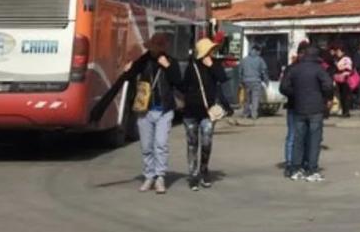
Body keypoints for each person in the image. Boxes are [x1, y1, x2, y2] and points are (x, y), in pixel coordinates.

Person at [90, 32, 182, 194]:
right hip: (144, 110)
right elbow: (127, 79)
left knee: (160, 145)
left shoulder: (171, 62)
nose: (154, 51)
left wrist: (167, 67)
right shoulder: (142, 61)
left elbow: (179, 83)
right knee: (147, 146)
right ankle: (149, 176)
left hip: (164, 110)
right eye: (153, 47)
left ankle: (159, 177)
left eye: (157, 48)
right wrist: (128, 71)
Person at [182, 37, 233, 190]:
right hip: (191, 112)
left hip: (207, 113)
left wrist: (212, 66)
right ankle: (192, 175)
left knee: (206, 142)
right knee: (192, 144)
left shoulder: (215, 64)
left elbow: (223, 79)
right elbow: (184, 86)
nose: (212, 52)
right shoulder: (192, 66)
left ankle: (204, 171)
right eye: (210, 50)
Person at [280, 45, 335, 182]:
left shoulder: (294, 69)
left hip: (299, 108)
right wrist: (325, 97)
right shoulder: (319, 70)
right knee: (314, 140)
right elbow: (328, 86)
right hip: (316, 109)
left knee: (298, 139)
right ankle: (312, 169)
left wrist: (297, 94)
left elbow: (283, 87)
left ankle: (295, 169)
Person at [282, 40, 309, 177]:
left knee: (303, 136)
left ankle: (300, 163)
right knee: (293, 135)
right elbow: (284, 88)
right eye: (302, 53)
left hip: (306, 107)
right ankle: (290, 163)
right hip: (294, 106)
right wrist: (297, 93)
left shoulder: (310, 68)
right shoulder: (291, 69)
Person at [239, 44, 269, 119]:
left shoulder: (244, 60)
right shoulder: (260, 60)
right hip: (256, 81)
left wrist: (241, 81)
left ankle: (246, 113)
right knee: (255, 98)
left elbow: (240, 71)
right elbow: (264, 71)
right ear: (258, 51)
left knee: (247, 98)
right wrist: (266, 81)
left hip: (246, 81)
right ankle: (254, 114)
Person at [332, 44, 354, 118]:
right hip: (340, 80)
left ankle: (346, 111)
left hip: (345, 80)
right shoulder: (338, 59)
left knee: (345, 96)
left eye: (339, 51)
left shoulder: (346, 59)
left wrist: (338, 66)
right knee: (341, 96)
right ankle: (344, 110)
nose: (337, 53)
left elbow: (348, 68)